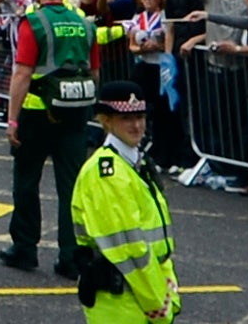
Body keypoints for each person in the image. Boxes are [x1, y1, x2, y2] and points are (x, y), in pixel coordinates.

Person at [3, 0, 127, 278]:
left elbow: (23, 73)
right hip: (75, 112)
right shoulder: (85, 24)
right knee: (71, 186)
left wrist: (12, 119)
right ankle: (71, 256)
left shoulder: (34, 23)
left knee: (27, 181)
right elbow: (95, 71)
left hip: (37, 111)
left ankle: (25, 249)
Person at [68, 85, 178, 324]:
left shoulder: (133, 162)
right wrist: (158, 304)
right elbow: (129, 250)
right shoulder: (107, 174)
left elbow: (154, 241)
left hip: (139, 293)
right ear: (106, 121)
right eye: (126, 118)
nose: (136, 125)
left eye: (139, 116)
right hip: (122, 301)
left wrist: (167, 288)